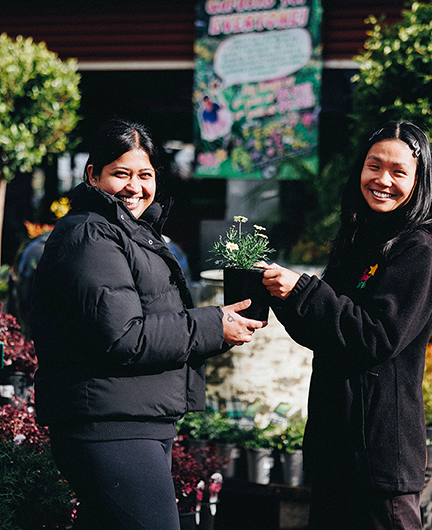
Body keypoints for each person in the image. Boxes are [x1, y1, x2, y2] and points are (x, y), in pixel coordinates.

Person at [30, 117, 265, 529]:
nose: (134, 187)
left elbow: (155, 323)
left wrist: (221, 328)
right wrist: (211, 324)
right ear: (93, 176)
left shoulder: (131, 232)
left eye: (145, 174)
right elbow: (123, 336)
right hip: (109, 428)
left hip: (134, 419)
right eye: (121, 173)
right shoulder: (91, 235)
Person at [261, 121, 432, 529]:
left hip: (379, 459)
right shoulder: (359, 239)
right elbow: (326, 332)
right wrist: (283, 294)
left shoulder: (419, 250)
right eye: (373, 166)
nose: (383, 180)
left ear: (419, 182)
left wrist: (304, 290)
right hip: (336, 450)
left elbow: (375, 336)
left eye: (399, 171)